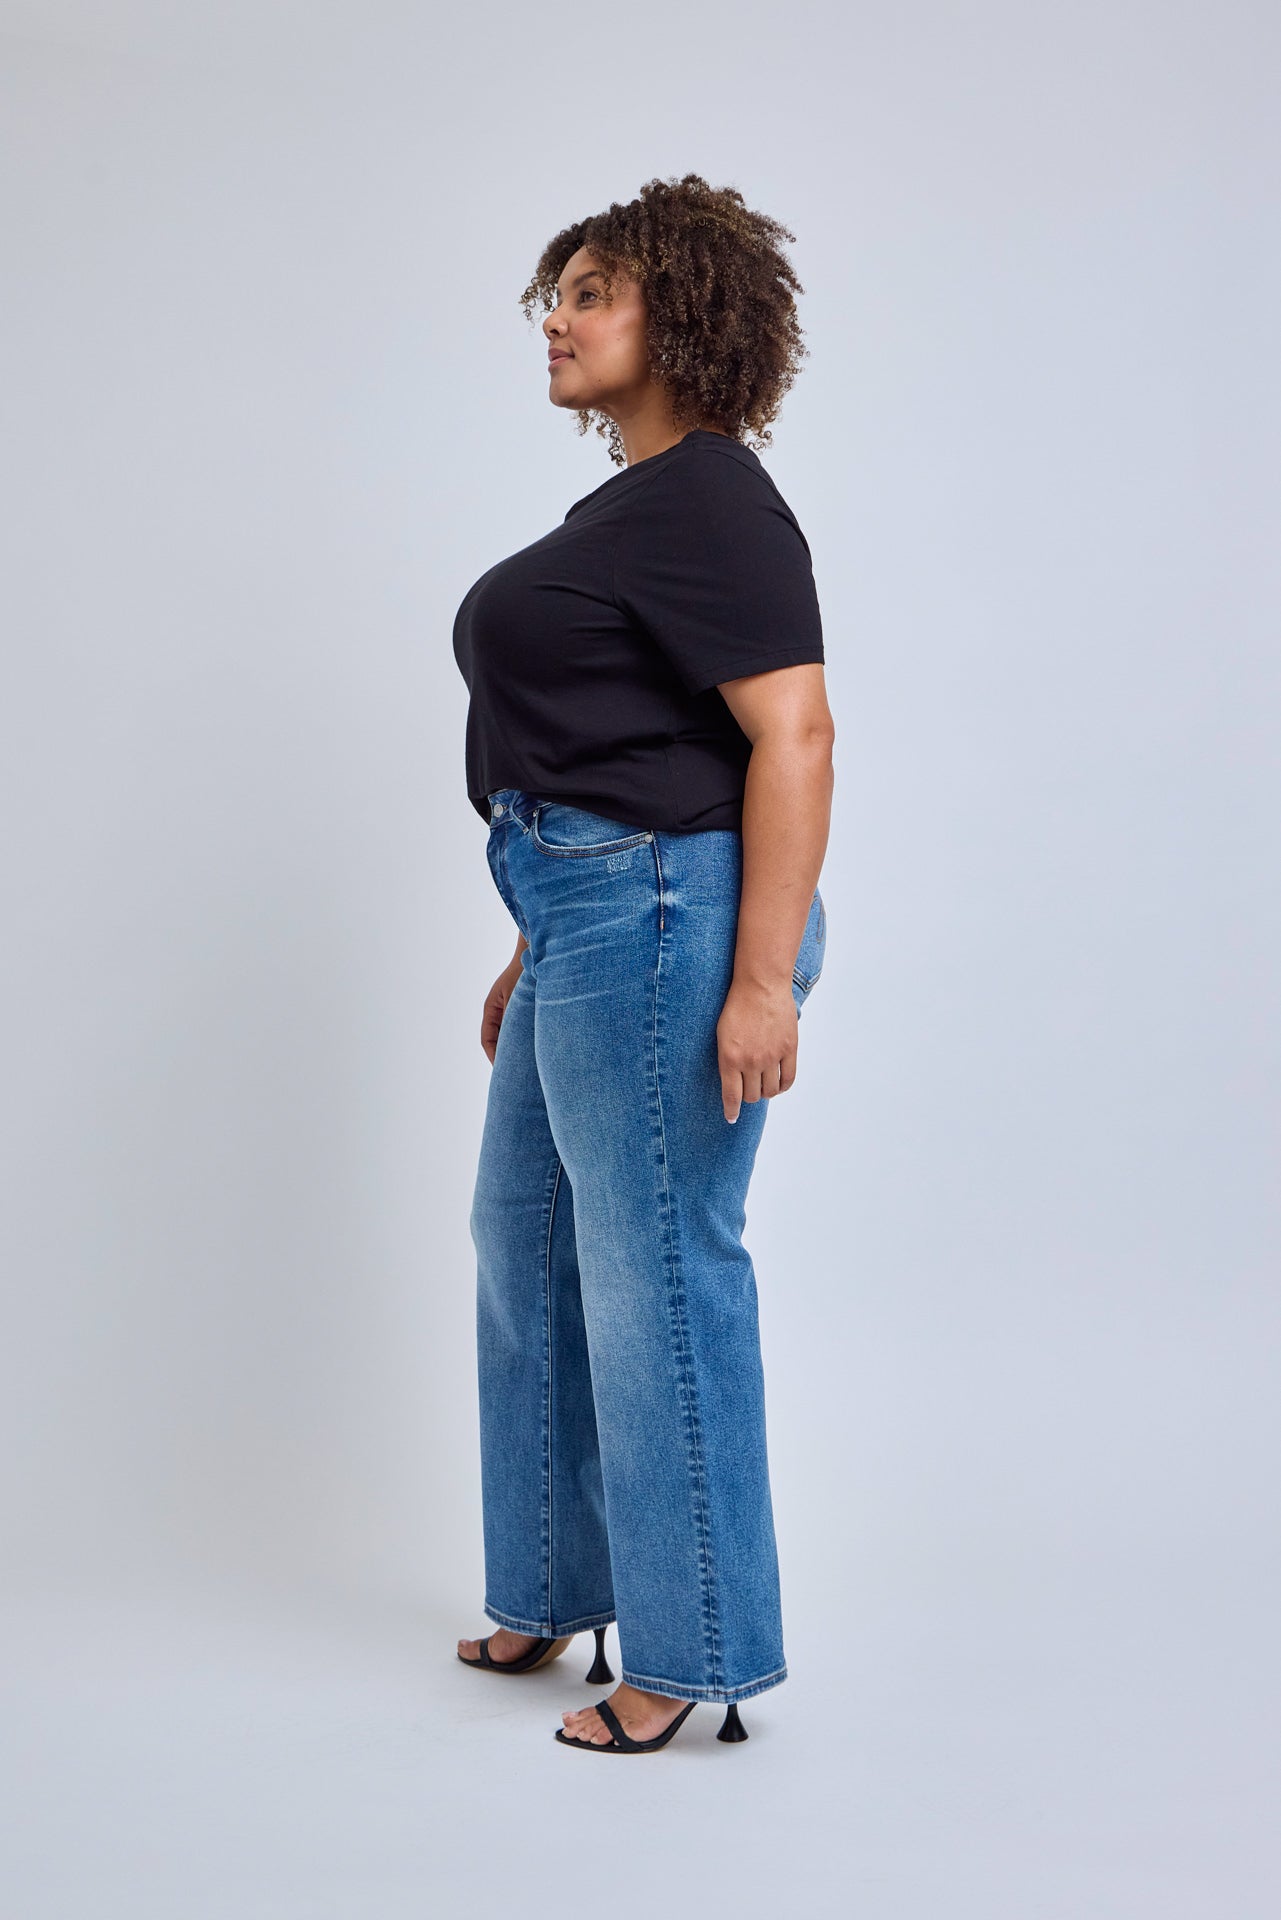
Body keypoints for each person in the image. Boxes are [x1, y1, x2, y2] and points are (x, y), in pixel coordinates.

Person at [451, 173, 835, 1756]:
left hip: (673, 922)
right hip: (593, 917)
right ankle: (551, 1583)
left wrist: (758, 982)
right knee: (522, 1239)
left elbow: (792, 733)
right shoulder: (631, 508)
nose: (559, 314)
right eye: (560, 288)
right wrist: (532, 933)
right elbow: (623, 734)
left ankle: (689, 1650)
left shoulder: (713, 501)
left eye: (593, 290)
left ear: (678, 315)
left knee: (658, 1273)